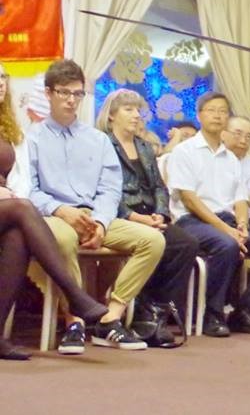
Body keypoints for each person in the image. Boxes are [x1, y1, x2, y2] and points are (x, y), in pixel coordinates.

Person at [27, 59, 164, 353]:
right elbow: (29, 190)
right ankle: (74, 319)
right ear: (49, 93)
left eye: (77, 94)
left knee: (153, 240)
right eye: (64, 92)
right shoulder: (32, 137)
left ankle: (108, 316)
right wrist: (61, 210)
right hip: (53, 214)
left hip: (96, 216)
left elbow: (110, 188)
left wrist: (101, 222)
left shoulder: (97, 139)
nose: (71, 100)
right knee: (62, 239)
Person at [0, 63, 108, 360]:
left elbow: (21, 179)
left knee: (18, 237)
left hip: (7, 207)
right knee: (23, 208)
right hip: (9, 205)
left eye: (2, 77)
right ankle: (75, 296)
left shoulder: (10, 127)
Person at [166, 92, 250, 337]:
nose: (217, 115)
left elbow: (240, 199)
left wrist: (242, 226)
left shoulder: (231, 159)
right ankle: (212, 314)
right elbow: (189, 199)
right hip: (192, 221)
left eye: (223, 111)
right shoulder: (185, 151)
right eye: (211, 110)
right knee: (226, 245)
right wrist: (228, 232)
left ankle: (243, 311)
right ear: (200, 115)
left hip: (228, 221)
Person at [96, 89, 199, 324]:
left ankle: (157, 307)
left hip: (150, 214)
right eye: (128, 110)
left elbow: (159, 187)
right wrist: (136, 218)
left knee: (187, 244)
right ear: (111, 115)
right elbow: (103, 190)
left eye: (138, 110)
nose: (136, 115)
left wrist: (160, 214)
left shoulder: (144, 147)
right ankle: (141, 306)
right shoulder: (102, 143)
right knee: (156, 244)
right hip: (120, 216)